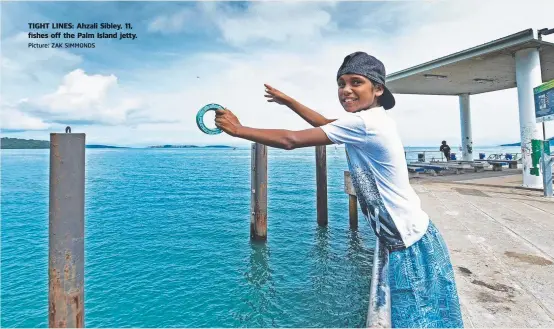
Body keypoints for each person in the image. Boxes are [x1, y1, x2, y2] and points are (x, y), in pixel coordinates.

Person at [214, 51, 463, 328]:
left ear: (378, 89)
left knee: (418, 321)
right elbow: (322, 123)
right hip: (410, 235)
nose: (346, 90)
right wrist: (290, 102)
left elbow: (289, 140)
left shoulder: (365, 123)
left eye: (356, 82)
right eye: (341, 83)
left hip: (407, 242)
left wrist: (238, 130)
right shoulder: (371, 119)